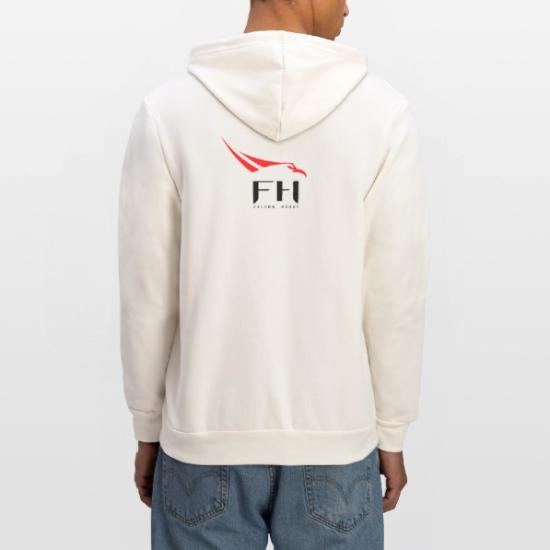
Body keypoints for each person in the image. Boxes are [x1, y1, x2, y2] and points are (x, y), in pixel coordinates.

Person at [117, 0, 430, 548]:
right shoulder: (382, 116)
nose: (348, 7)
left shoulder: (170, 113)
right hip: (334, 437)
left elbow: (147, 294)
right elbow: (394, 296)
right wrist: (391, 430)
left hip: (203, 438)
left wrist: (147, 424)